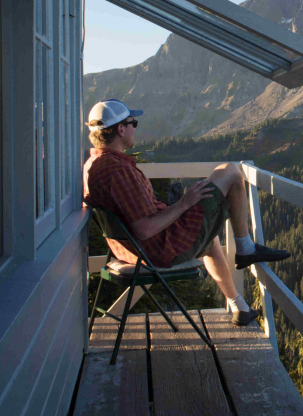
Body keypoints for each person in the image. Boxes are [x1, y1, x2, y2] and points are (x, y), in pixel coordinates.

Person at [82, 99, 289, 327]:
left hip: (128, 251)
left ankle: (239, 306)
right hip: (158, 250)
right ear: (120, 129)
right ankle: (246, 248)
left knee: (210, 240)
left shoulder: (93, 164)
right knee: (230, 171)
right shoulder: (119, 171)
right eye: (133, 123)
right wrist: (184, 203)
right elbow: (144, 229)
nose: (134, 128)